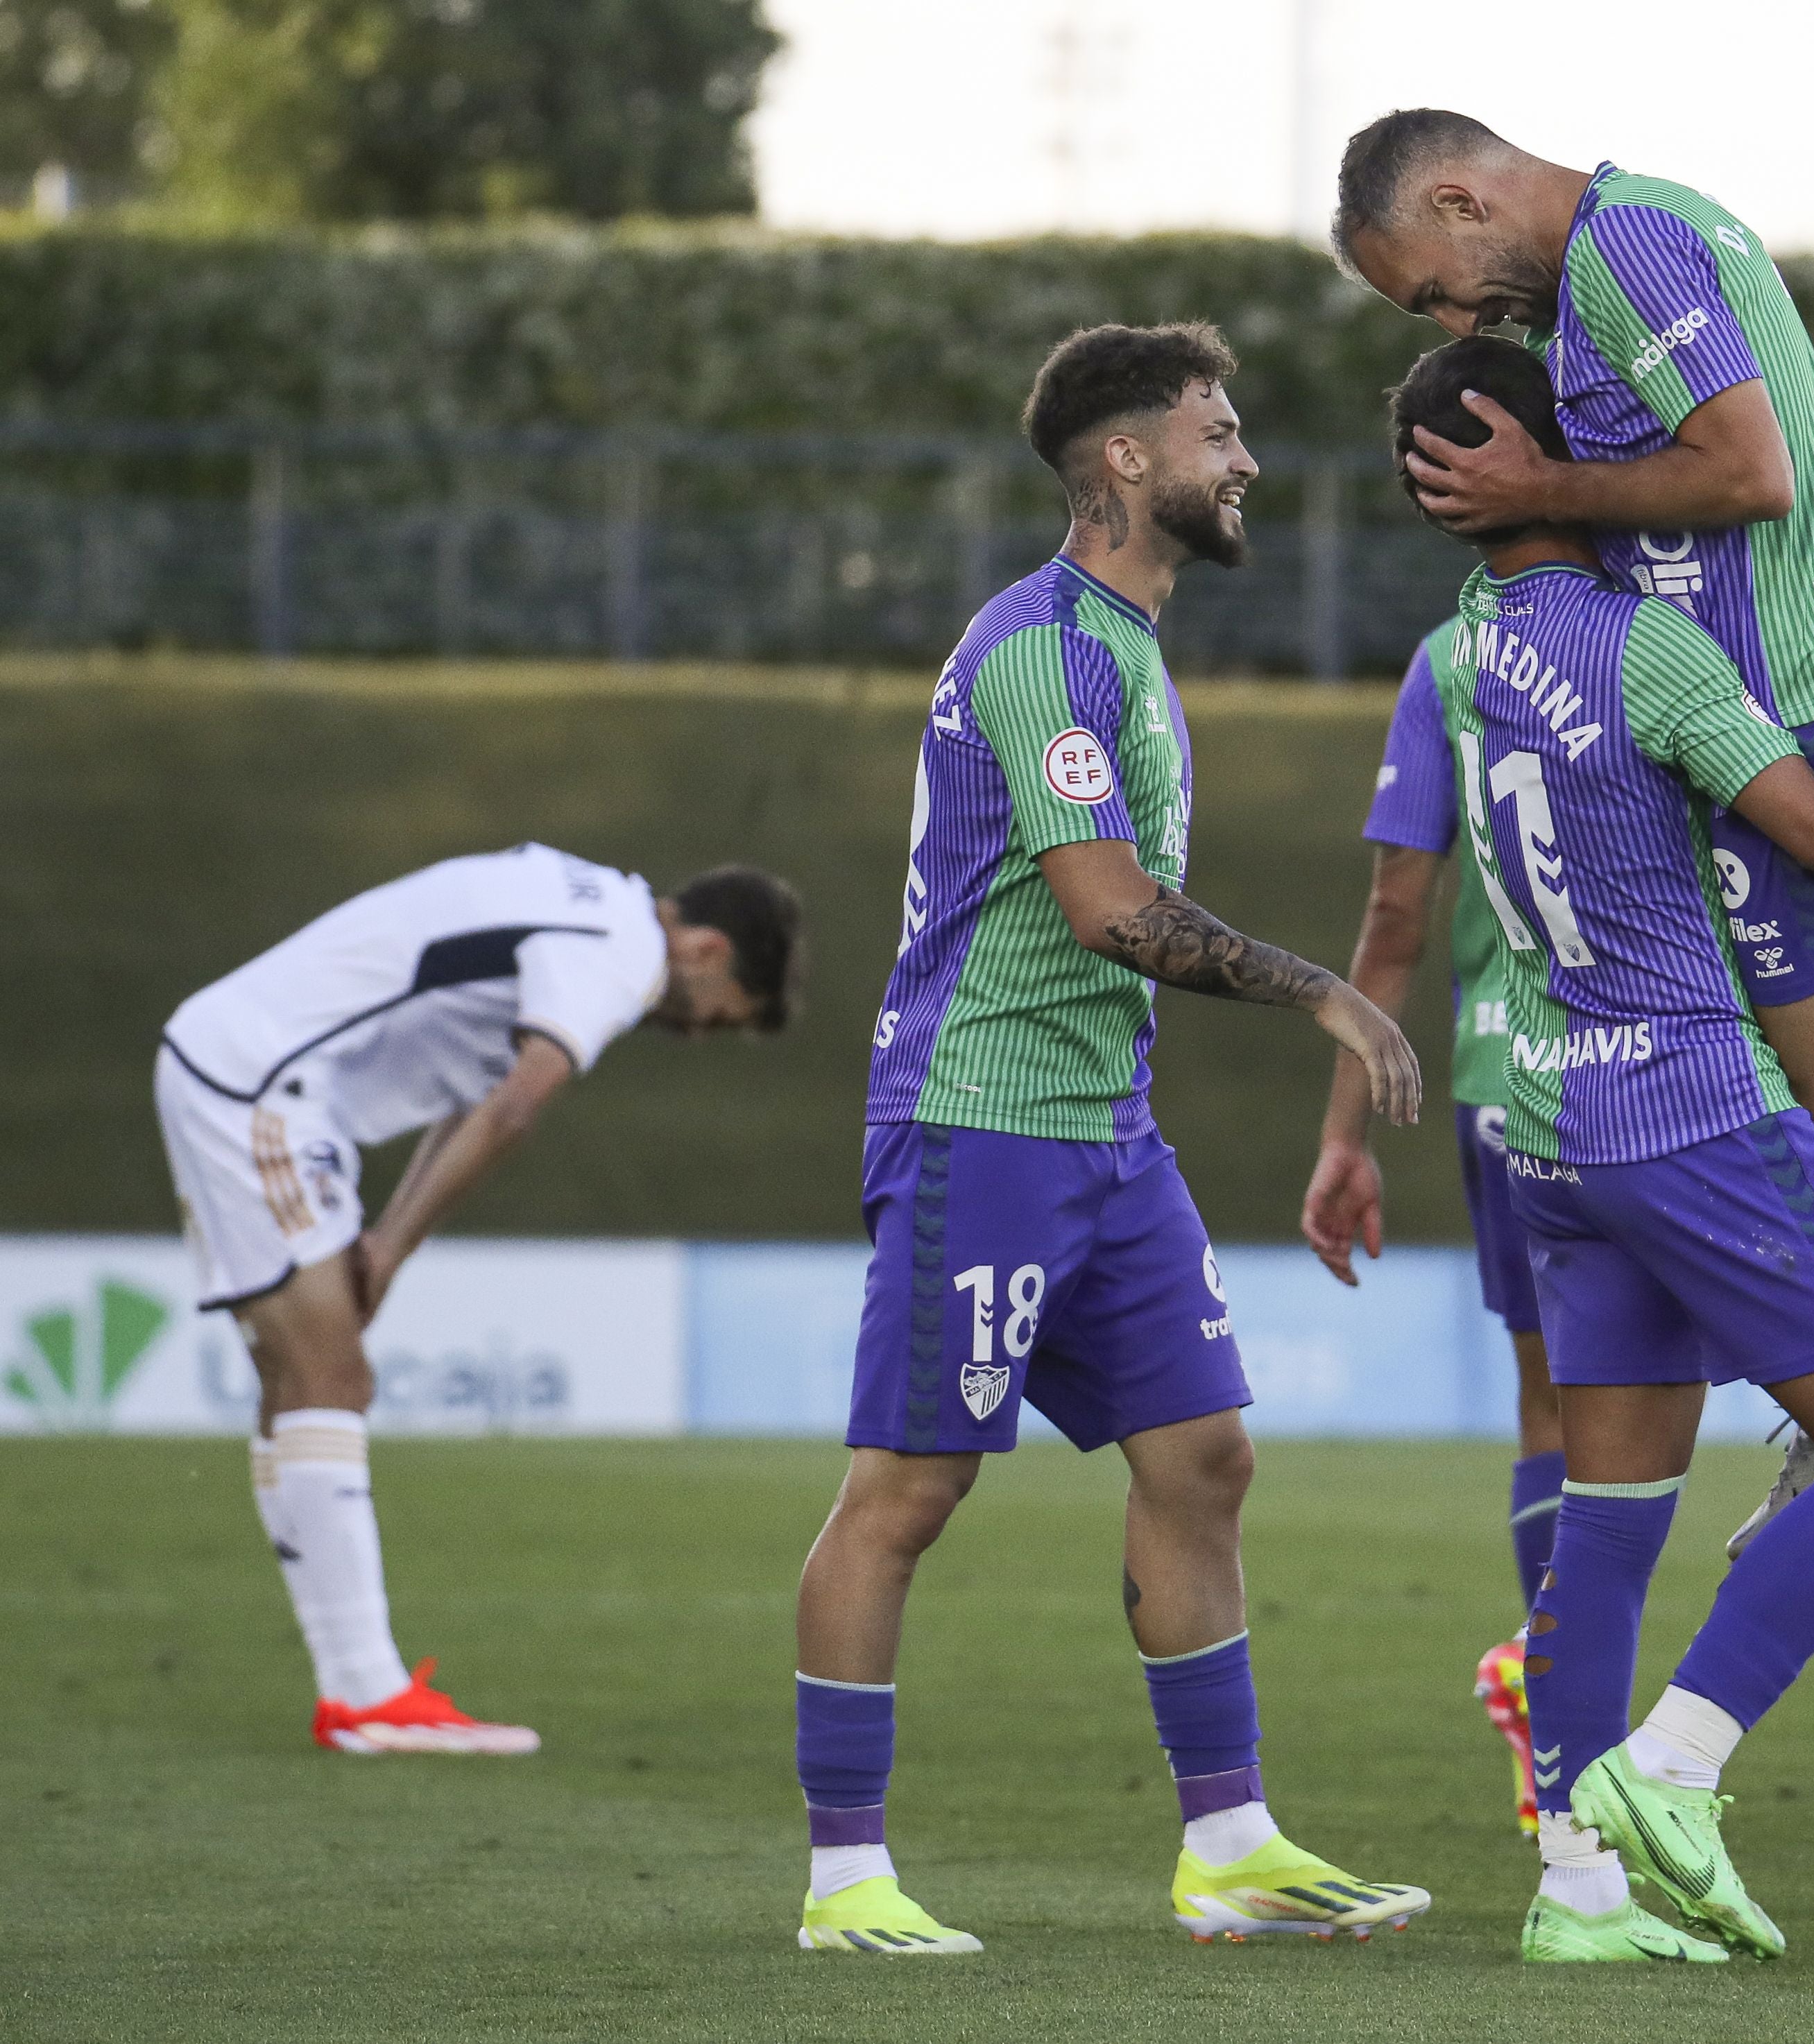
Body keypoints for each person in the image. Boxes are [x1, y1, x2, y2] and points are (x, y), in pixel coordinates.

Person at [1333, 109, 1814, 1616]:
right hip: (1789, 702)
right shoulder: (1635, 244)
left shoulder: (1626, 247)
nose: (1461, 321)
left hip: (1779, 722)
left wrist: (1542, 493)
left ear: (1460, 195)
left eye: (1435, 288)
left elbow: (1753, 474)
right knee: (1792, 1099)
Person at [787, 323, 1431, 1958]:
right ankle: (844, 1880)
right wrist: (1325, 998)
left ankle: (1231, 1849)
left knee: (1206, 1457)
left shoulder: (1123, 647)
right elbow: (1106, 910)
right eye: (1219, 433)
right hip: (981, 1120)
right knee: (912, 1488)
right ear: (1127, 461)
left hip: (1102, 1131)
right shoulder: (1043, 649)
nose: (1247, 463)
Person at [1391, 335, 1814, 1965]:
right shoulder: (1648, 649)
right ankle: (1675, 1763)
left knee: (1610, 1516)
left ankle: (1574, 1889)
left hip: (1554, 1125)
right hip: (1695, 1112)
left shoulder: (1464, 652)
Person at [156, 843, 801, 1753]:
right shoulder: (618, 951)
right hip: (257, 1086)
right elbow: (515, 1112)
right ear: (704, 951)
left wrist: (389, 1243)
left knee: (300, 1382)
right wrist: (391, 1244)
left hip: (238, 1066)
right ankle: (365, 1693)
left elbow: (475, 1099)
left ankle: (353, 1689)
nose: (697, 1035)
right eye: (716, 1019)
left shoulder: (584, 900)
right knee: (330, 1378)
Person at [1299, 609, 1561, 1836]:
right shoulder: (1667, 619)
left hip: (1505, 1083)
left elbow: (1394, 922)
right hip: (1671, 1081)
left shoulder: (1446, 656)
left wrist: (1344, 1136)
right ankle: (1592, 1709)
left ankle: (1557, 1692)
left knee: (1560, 1407)